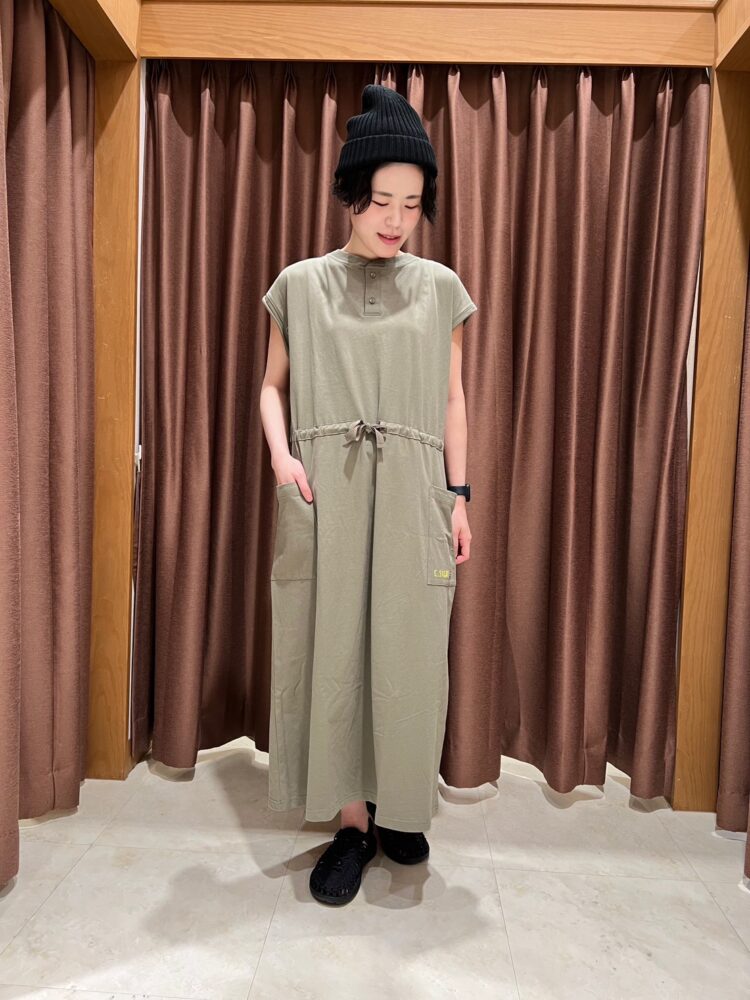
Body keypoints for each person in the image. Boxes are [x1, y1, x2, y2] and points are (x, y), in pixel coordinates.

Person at [259, 83, 477, 905]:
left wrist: (459, 496)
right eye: (382, 200)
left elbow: (453, 398)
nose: (396, 219)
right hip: (329, 493)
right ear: (352, 192)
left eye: (412, 204)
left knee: (409, 656)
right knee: (334, 652)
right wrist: (283, 459)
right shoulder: (300, 284)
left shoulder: (441, 287)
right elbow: (271, 387)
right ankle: (352, 823)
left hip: (415, 492)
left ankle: (400, 805)